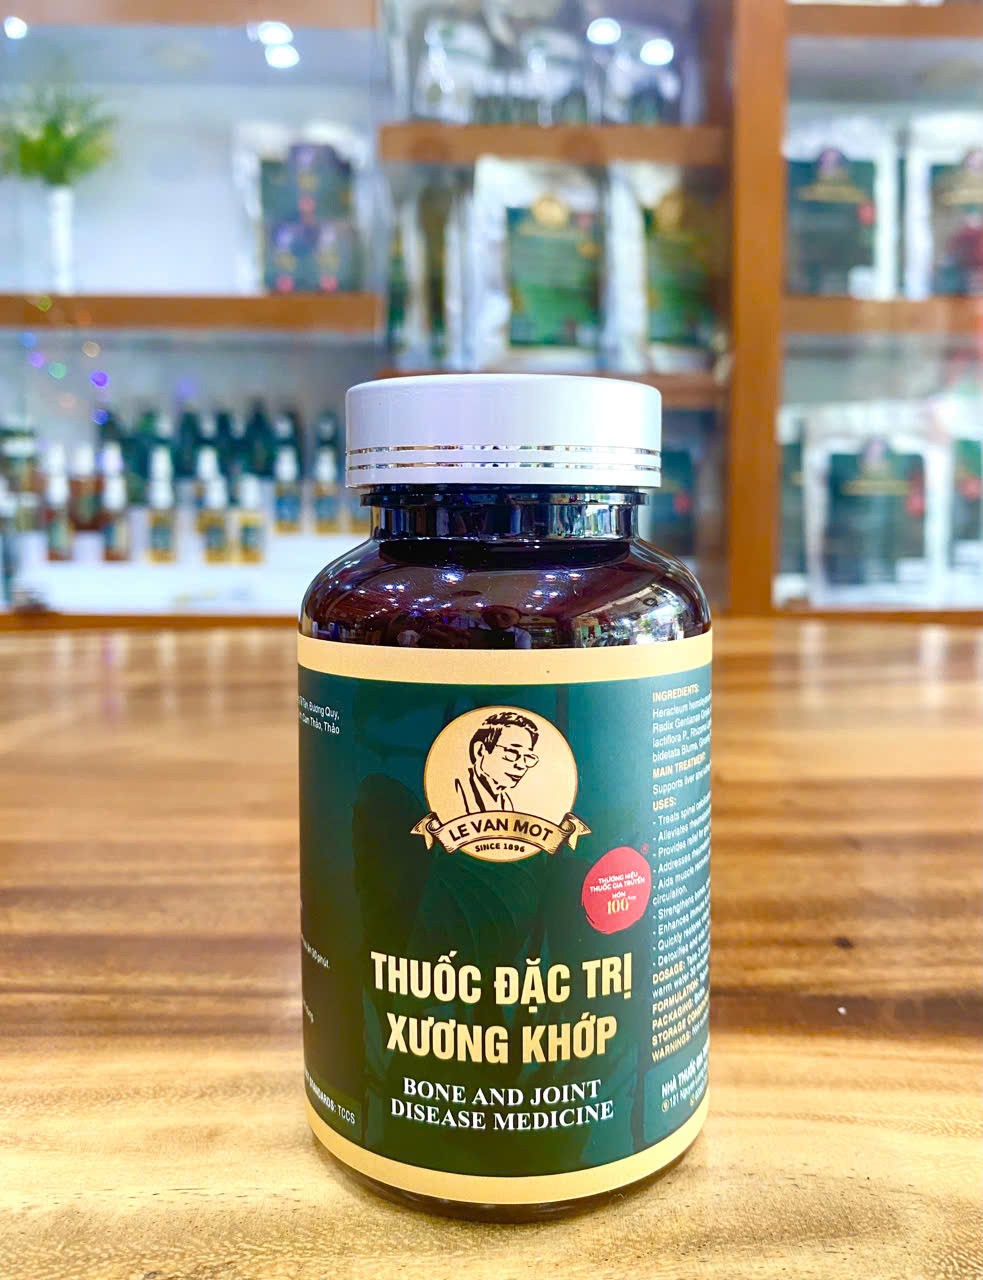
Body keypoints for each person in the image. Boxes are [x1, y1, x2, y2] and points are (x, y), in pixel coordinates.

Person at [454, 710, 540, 814]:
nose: (521, 765)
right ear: (480, 750)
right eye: (512, 752)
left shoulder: (505, 802)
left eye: (527, 756)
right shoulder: (456, 789)